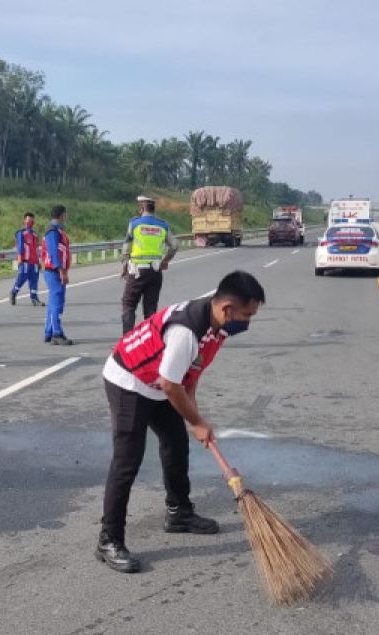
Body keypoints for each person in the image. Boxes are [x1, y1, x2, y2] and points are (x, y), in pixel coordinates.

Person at [97, 270, 266, 572]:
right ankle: (109, 540)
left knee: (176, 444)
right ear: (227, 308)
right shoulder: (185, 332)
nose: (248, 322)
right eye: (247, 314)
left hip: (161, 382)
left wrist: (193, 414)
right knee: (127, 462)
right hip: (130, 381)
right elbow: (170, 384)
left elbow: (192, 371)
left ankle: (179, 513)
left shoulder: (218, 326)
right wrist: (198, 422)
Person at [119, 195, 178, 334]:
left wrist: (124, 267)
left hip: (137, 271)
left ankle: (127, 340)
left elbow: (126, 248)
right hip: (155, 271)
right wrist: (165, 261)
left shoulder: (134, 224)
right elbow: (175, 245)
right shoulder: (162, 225)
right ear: (153, 208)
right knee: (150, 308)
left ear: (142, 207)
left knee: (129, 304)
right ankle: (149, 341)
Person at [41, 204, 73, 345]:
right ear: (62, 215)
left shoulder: (58, 231)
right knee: (57, 303)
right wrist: (62, 271)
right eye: (65, 214)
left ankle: (49, 332)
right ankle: (56, 333)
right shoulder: (52, 231)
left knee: (54, 303)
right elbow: (54, 253)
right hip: (54, 271)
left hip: (54, 271)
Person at [10, 212, 42, 306]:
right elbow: (19, 246)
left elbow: (37, 249)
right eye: (28, 220)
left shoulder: (35, 234)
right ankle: (13, 292)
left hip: (34, 262)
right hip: (25, 261)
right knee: (21, 278)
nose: (30, 222)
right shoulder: (21, 232)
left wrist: (39, 261)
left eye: (32, 220)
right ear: (24, 221)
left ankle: (34, 298)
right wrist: (19, 258)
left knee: (34, 280)